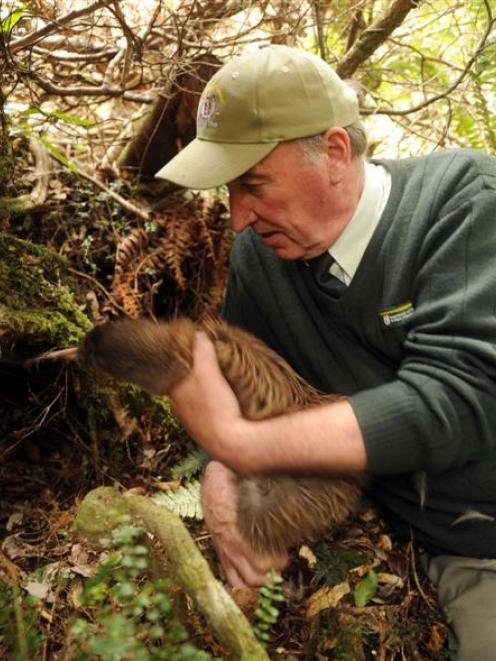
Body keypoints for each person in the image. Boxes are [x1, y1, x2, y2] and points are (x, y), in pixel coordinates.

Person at [155, 45, 496, 660]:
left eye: (254, 185)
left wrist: (247, 445)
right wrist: (220, 471)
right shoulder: (261, 260)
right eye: (230, 191)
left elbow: (460, 399)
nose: (237, 219)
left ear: (335, 152)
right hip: (462, 551)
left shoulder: (464, 201)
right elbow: (242, 387)